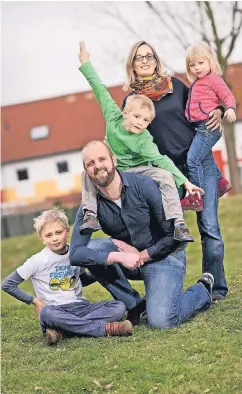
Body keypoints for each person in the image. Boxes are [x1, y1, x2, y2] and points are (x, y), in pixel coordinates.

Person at [122, 41, 228, 301]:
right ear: (132, 65)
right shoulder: (131, 101)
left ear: (157, 60)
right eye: (139, 58)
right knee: (169, 234)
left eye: (149, 56)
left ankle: (216, 288)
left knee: (209, 227)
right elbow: (130, 140)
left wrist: (219, 109)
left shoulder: (177, 86)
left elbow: (205, 104)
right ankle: (169, 291)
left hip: (198, 162)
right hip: (165, 175)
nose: (145, 61)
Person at [70, 140, 214, 329]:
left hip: (164, 256)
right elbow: (75, 254)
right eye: (90, 163)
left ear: (113, 160)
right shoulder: (89, 208)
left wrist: (141, 255)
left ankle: (202, 289)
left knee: (162, 321)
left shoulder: (144, 185)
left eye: (102, 159)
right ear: (86, 171)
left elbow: (173, 236)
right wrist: (120, 255)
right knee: (94, 248)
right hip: (129, 261)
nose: (97, 166)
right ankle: (135, 305)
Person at [77, 41, 203, 243]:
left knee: (163, 175)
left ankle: (179, 223)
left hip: (137, 171)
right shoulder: (113, 116)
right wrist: (85, 63)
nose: (141, 124)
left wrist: (185, 182)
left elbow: (162, 160)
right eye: (137, 117)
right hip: (117, 170)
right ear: (125, 112)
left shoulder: (144, 139)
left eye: (146, 121)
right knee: (88, 171)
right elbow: (100, 89)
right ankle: (90, 214)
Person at [1, 208, 133, 346]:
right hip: (56, 310)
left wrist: (106, 270)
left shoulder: (76, 254)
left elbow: (83, 281)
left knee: (118, 306)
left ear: (67, 231)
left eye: (59, 232)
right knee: (46, 313)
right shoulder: (37, 260)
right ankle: (108, 329)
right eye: (48, 235)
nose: (55, 238)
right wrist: (35, 301)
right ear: (41, 238)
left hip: (81, 307)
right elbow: (8, 284)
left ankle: (63, 331)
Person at [185, 42, 236, 210]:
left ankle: (197, 197)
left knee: (193, 160)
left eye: (201, 63)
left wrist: (229, 109)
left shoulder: (214, 79)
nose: (196, 68)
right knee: (204, 155)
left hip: (208, 127)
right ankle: (221, 182)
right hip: (200, 127)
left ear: (210, 62)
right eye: (192, 65)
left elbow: (227, 95)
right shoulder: (198, 82)